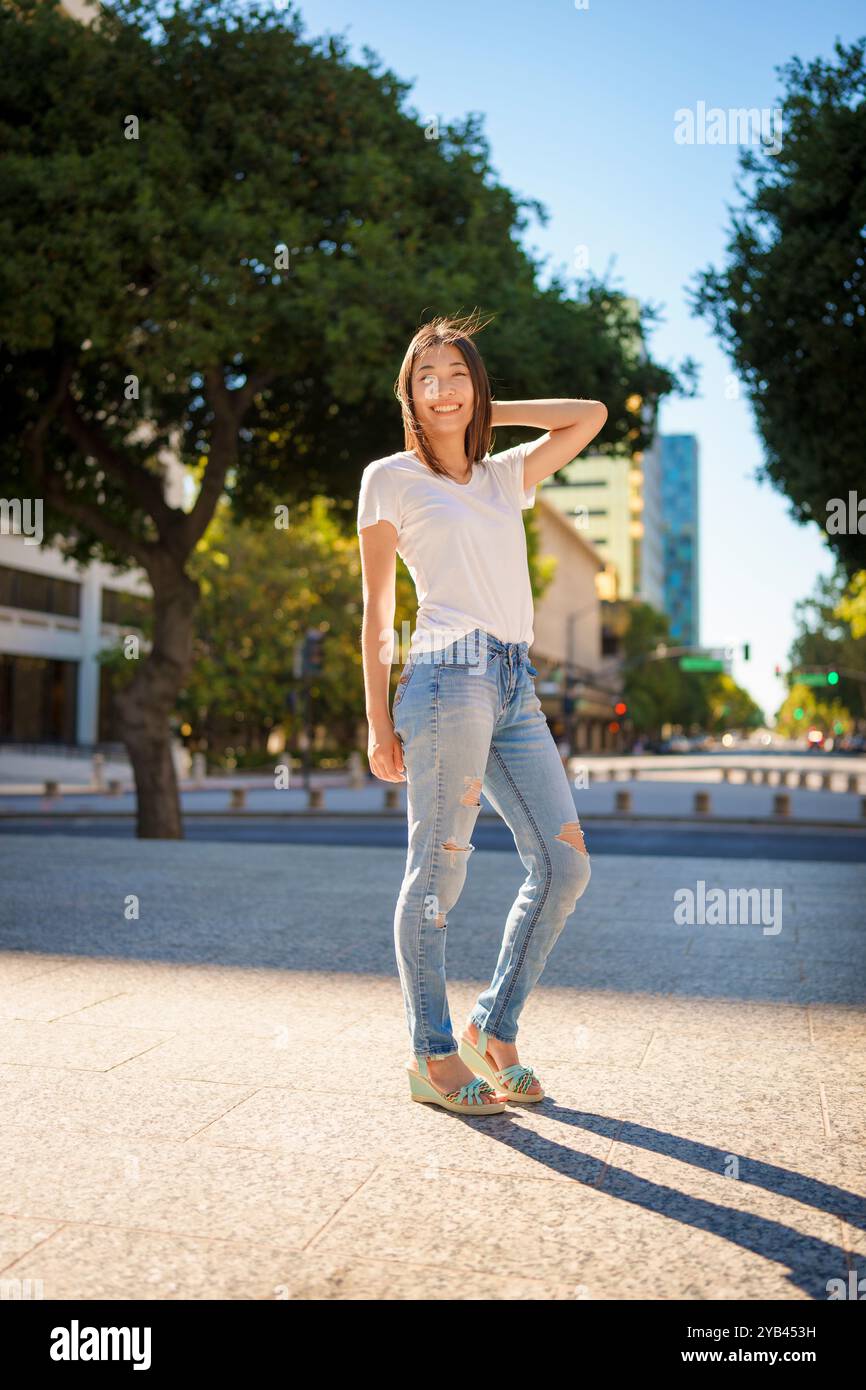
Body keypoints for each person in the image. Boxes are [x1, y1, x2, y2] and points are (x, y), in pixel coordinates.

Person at [356, 310, 607, 1116]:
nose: (441, 389)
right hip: (446, 676)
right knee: (438, 872)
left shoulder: (505, 477)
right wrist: (374, 720)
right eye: (424, 377)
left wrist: (493, 411)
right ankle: (431, 1055)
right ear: (408, 395)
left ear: (477, 388)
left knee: (565, 865)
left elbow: (590, 417)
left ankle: (493, 1029)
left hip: (514, 684)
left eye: (456, 374)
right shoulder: (389, 477)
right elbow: (375, 609)